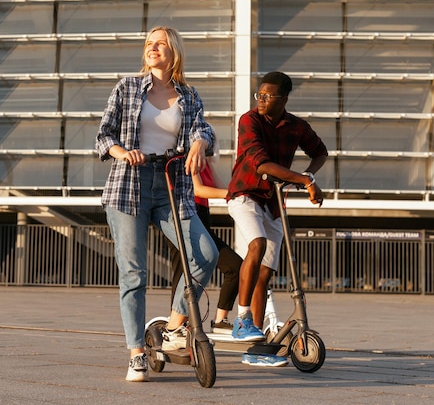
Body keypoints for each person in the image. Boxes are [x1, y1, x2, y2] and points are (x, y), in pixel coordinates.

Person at [95, 26, 219, 382]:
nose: (153, 48)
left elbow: (203, 129)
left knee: (205, 254)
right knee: (134, 273)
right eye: (149, 44)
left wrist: (198, 144)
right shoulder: (128, 87)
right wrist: (123, 152)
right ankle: (136, 352)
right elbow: (104, 135)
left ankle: (173, 327)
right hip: (128, 185)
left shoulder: (189, 94)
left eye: (160, 44)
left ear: (173, 51)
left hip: (171, 186)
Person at [226, 71, 328, 367]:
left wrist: (308, 175)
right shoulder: (249, 121)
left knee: (265, 274)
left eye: (268, 96)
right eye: (259, 94)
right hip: (244, 195)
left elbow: (320, 152)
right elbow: (261, 165)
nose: (261, 100)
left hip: (273, 203)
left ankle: (255, 349)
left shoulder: (296, 127)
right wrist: (306, 182)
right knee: (255, 245)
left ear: (282, 99)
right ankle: (242, 318)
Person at [168, 153, 242, 336]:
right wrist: (230, 194)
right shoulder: (188, 156)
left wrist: (242, 192)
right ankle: (176, 326)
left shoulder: (206, 162)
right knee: (183, 274)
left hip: (202, 218)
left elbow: (219, 187)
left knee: (235, 267)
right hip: (185, 216)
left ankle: (220, 321)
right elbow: (198, 189)